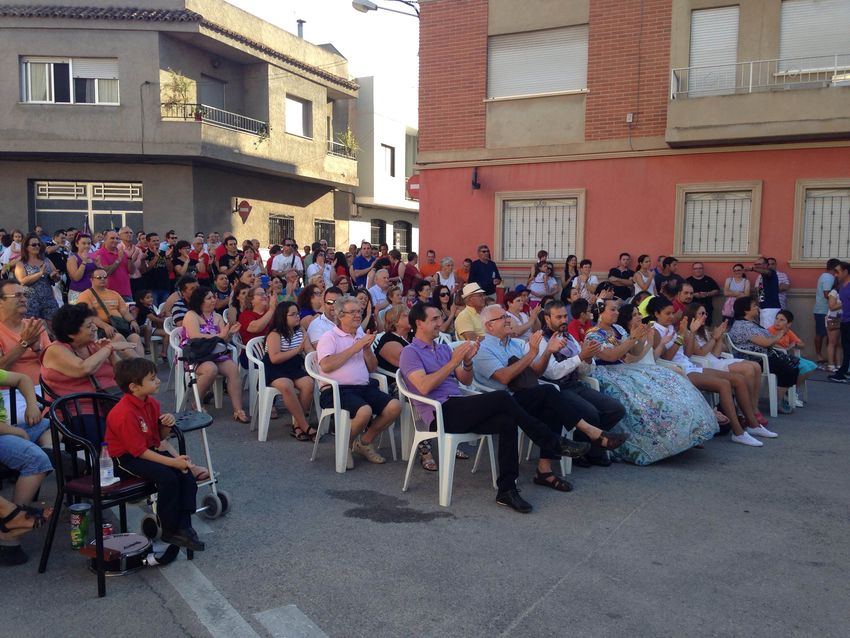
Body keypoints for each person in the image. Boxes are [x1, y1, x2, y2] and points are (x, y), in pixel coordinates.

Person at [400, 303, 590, 512]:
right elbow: (424, 387)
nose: (440, 323)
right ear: (419, 323)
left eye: (439, 318)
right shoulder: (410, 352)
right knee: (501, 398)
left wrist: (467, 363)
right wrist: (453, 363)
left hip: (459, 404)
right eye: (434, 319)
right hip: (440, 412)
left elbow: (464, 379)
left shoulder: (442, 348)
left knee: (507, 422)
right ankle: (553, 442)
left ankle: (507, 490)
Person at [473, 304, 600, 492]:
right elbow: (505, 378)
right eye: (502, 318)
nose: (508, 320)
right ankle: (587, 432)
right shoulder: (483, 349)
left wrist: (548, 351)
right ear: (489, 326)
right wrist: (532, 352)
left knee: (550, 403)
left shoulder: (515, 343)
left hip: (522, 395)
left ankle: (544, 471)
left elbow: (536, 372)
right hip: (499, 402)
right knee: (549, 393)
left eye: (507, 316)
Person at [584, 301, 719, 464]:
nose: (617, 313)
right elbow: (611, 356)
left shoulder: (618, 329)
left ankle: (685, 434)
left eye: (617, 310)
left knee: (669, 381)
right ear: (600, 313)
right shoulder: (593, 334)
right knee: (646, 398)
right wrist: (632, 338)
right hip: (607, 374)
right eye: (612, 310)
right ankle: (656, 442)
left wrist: (640, 338)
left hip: (624, 369)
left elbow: (634, 352)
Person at [106, 358, 204, 552]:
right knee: (169, 476)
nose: (158, 381)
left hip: (147, 452)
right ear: (134, 387)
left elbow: (157, 439)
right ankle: (169, 528)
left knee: (184, 474)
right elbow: (139, 452)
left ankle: (183, 526)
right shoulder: (124, 413)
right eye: (152, 379)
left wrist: (166, 425)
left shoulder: (150, 403)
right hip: (125, 460)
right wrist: (173, 462)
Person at [650, 295, 776, 440]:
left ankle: (753, 425)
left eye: (673, 313)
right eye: (667, 313)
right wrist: (681, 336)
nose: (672, 316)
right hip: (677, 370)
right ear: (656, 313)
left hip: (688, 365)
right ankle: (738, 432)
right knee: (724, 384)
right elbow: (666, 358)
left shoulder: (671, 327)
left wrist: (690, 333)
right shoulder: (655, 331)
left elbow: (688, 353)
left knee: (739, 379)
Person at [535, 300, 628, 467]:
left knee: (616, 409)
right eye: (558, 317)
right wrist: (579, 357)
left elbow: (584, 370)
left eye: (565, 316)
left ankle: (588, 447)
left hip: (576, 384)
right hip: (557, 390)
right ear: (547, 319)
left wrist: (588, 357)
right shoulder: (541, 340)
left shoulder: (568, 337)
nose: (564, 320)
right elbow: (553, 373)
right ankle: (590, 451)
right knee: (591, 414)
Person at [316, 295, 402, 467]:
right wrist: (355, 347)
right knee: (364, 411)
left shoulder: (360, 334)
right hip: (336, 390)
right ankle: (345, 446)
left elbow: (372, 368)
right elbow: (326, 365)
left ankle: (363, 442)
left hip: (362, 387)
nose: (358, 315)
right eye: (352, 312)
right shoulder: (329, 337)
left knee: (395, 407)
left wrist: (367, 350)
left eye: (360, 311)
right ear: (340, 316)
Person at [41, 303, 138, 399]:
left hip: (111, 401)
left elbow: (123, 376)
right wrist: (109, 348)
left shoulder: (94, 346)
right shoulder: (55, 350)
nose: (95, 328)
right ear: (71, 333)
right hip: (77, 409)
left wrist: (111, 354)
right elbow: (83, 369)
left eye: (93, 324)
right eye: (89, 326)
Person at [180, 287, 248, 422]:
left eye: (213, 297)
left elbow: (223, 340)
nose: (213, 300)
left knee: (233, 369)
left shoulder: (217, 317)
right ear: (200, 301)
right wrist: (219, 335)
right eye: (209, 298)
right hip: (196, 354)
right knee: (211, 369)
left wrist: (230, 333)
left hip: (215, 353)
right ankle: (196, 403)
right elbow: (194, 336)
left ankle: (238, 409)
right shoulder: (191, 315)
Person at [727, 297, 800, 414]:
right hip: (755, 360)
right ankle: (777, 402)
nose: (758, 308)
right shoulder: (744, 326)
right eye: (754, 306)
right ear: (746, 311)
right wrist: (781, 333)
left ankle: (782, 397)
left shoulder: (750, 323)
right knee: (788, 368)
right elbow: (766, 342)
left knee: (795, 364)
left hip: (763, 356)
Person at [263, 302, 316, 441]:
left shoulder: (300, 330)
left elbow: (308, 348)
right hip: (275, 368)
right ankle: (304, 425)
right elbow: (274, 358)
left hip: (293, 366)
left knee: (308, 384)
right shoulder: (275, 334)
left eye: (297, 313)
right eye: (292, 314)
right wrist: (296, 351)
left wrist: (315, 355)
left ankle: (297, 425)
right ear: (282, 317)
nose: (297, 316)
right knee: (287, 386)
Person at [76, 269, 144, 356]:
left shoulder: (114, 293)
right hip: (100, 328)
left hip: (119, 325)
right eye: (99, 277)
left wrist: (132, 321)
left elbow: (124, 311)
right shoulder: (85, 295)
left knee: (135, 337)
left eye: (105, 277)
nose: (102, 279)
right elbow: (89, 316)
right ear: (91, 280)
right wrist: (105, 326)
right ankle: (140, 366)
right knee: (117, 337)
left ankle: (140, 365)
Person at [0, 281, 52, 388]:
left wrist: (37, 349)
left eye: (25, 295)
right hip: (11, 395)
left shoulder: (35, 326)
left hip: (45, 389)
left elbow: (52, 364)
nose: (24, 299)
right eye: (18, 295)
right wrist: (24, 343)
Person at [768, 310, 817, 400]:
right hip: (779, 357)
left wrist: (794, 344)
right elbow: (771, 343)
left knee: (812, 365)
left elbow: (802, 344)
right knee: (805, 368)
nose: (777, 321)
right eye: (777, 318)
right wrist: (784, 348)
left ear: (789, 324)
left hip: (787, 356)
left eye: (782, 320)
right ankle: (790, 392)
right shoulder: (770, 330)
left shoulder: (788, 332)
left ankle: (791, 390)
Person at [14, 233, 60, 323]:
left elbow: (56, 278)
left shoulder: (46, 260)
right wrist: (39, 274)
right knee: (34, 329)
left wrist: (55, 277)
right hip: (31, 302)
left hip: (48, 300)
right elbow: (22, 281)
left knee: (54, 327)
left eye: (38, 244)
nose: (37, 246)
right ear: (26, 247)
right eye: (34, 245)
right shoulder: (21, 263)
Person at [238, 286, 276, 363]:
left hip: (271, 350)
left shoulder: (269, 313)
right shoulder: (245, 315)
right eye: (260, 294)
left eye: (265, 294)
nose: (264, 296)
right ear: (251, 300)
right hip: (252, 354)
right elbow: (256, 328)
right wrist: (271, 310)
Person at [93, 230, 134, 301]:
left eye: (117, 238)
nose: (115, 240)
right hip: (109, 293)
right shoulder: (100, 253)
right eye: (112, 238)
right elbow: (106, 272)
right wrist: (118, 259)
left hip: (126, 293)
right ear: (105, 240)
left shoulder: (122, 253)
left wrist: (130, 258)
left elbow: (132, 271)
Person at [813, 259, 840, 367]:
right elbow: (826, 294)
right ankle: (819, 356)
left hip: (824, 310)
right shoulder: (828, 277)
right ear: (835, 267)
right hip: (823, 310)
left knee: (828, 335)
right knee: (821, 334)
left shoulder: (826, 276)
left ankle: (829, 358)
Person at [827, 261, 850, 383]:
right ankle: (843, 372)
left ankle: (842, 372)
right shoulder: (842, 287)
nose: (835, 274)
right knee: (846, 347)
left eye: (838, 271)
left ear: (846, 272)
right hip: (845, 320)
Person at [134, 289, 169, 363]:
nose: (151, 299)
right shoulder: (141, 308)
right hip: (140, 328)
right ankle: (147, 347)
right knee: (148, 328)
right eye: (148, 297)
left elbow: (155, 316)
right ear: (141, 300)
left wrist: (161, 315)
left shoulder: (151, 307)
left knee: (166, 334)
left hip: (150, 329)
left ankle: (163, 353)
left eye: (151, 297)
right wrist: (165, 320)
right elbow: (152, 318)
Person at [375, 305, 410, 373]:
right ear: (395, 321)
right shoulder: (388, 339)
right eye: (405, 315)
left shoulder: (413, 335)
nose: (411, 317)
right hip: (396, 380)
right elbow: (408, 363)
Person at [749, 256, 781, 328]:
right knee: (764, 333)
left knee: (769, 333)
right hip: (764, 308)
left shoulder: (771, 272)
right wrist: (759, 305)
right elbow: (760, 293)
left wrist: (752, 269)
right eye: (756, 265)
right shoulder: (762, 276)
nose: (757, 266)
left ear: (766, 265)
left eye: (759, 264)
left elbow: (767, 272)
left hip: (771, 309)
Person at [66, 233, 97, 305]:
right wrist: (84, 262)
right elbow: (76, 278)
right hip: (77, 293)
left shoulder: (92, 258)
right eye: (84, 243)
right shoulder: (73, 258)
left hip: (92, 293)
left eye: (89, 243)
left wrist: (99, 265)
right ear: (77, 244)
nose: (87, 246)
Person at [143, 233, 171, 306]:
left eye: (158, 240)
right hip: (152, 287)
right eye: (154, 241)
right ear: (148, 242)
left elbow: (170, 269)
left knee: (164, 310)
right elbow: (146, 269)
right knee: (154, 309)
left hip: (165, 286)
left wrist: (168, 258)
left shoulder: (164, 253)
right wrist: (156, 257)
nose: (156, 242)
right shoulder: (145, 254)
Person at [825, 274, 844, 373]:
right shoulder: (834, 292)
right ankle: (831, 364)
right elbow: (831, 306)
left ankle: (839, 364)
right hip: (834, 319)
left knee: (840, 343)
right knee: (833, 342)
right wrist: (844, 302)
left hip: (843, 319)